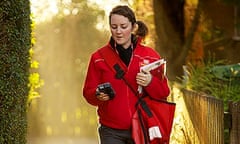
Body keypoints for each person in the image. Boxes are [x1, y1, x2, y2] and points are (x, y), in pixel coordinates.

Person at [83, 5, 170, 144]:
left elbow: (164, 92)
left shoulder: (151, 56)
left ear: (133, 27)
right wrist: (98, 95)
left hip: (142, 126)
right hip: (111, 131)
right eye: (114, 27)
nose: (118, 31)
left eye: (123, 26)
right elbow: (88, 93)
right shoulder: (98, 57)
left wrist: (151, 82)